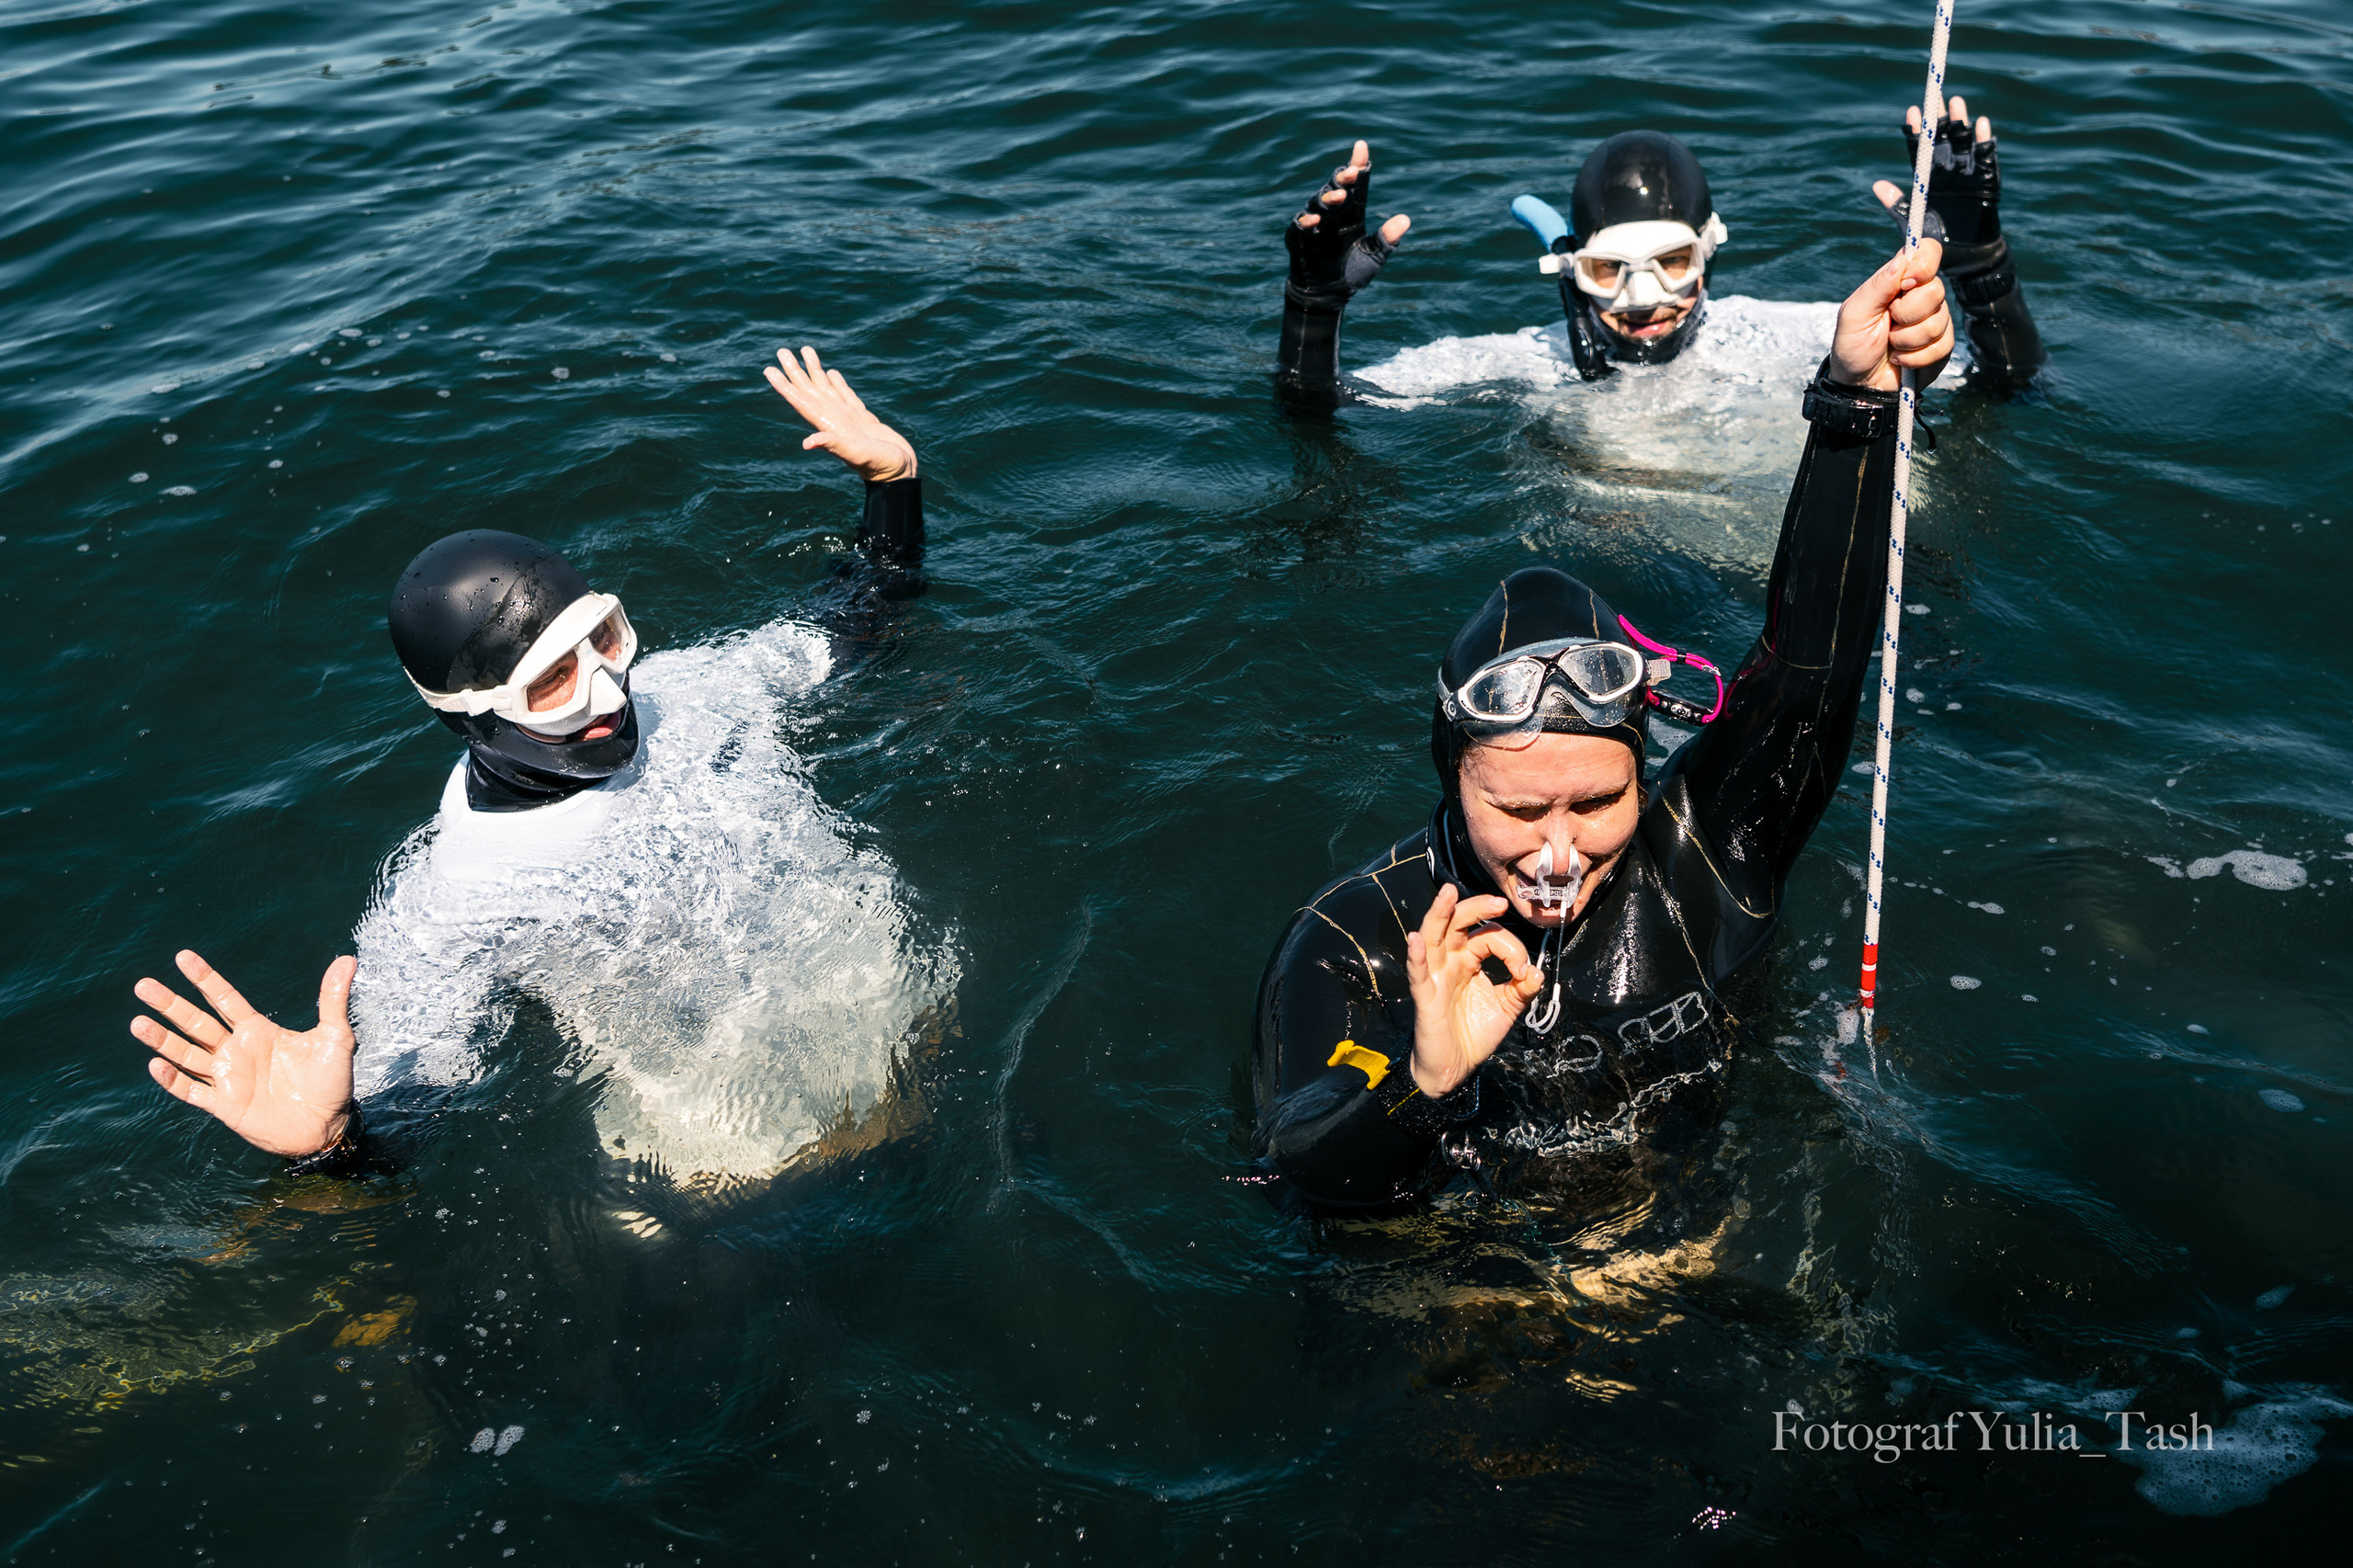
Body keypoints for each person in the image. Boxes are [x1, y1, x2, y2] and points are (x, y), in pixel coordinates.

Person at [1251, 234, 1956, 1208]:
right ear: (1450, 774)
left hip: (1698, 1227)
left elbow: (1810, 672)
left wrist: (1855, 403)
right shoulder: (1355, 938)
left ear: (1642, 770)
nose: (1554, 854)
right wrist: (1423, 1085)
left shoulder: (1704, 855)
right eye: (1516, 808)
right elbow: (1296, 1176)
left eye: (1594, 803)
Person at [128, 349, 944, 1186]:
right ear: (471, 713)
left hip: (924, 1051)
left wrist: (895, 481)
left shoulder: (688, 691)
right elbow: (411, 1117)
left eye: (606, 640)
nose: (607, 690)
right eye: (554, 679)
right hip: (748, 1166)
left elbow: (860, 623)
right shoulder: (459, 897)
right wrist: (333, 1146)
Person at [1273, 97, 2040, 412]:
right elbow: (1327, 406)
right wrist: (1313, 310)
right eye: (1609, 272)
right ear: (1572, 266)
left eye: (1670, 264)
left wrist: (1978, 265)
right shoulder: (1528, 360)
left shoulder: (1804, 338)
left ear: (1709, 251)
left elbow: (2006, 384)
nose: (1642, 301)